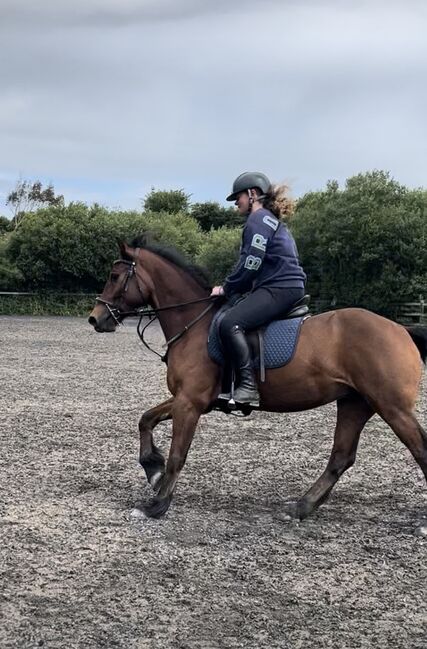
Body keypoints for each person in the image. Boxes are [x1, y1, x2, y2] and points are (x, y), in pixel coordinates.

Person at [211, 171, 306, 406]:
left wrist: (227, 288)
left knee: (230, 323)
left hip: (278, 288)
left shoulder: (258, 219)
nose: (236, 203)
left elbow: (251, 262)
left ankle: (247, 387)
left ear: (252, 194)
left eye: (238, 197)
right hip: (283, 285)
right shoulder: (269, 221)